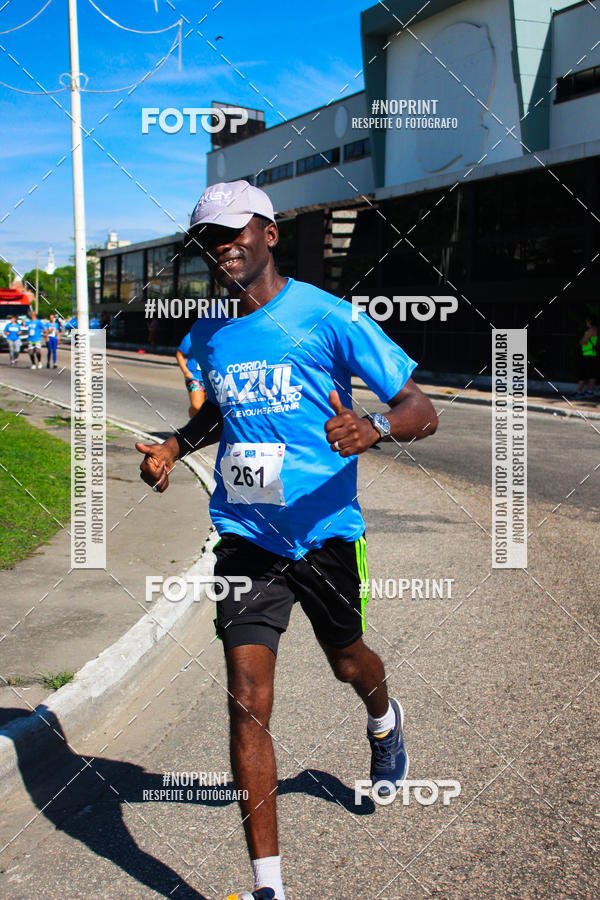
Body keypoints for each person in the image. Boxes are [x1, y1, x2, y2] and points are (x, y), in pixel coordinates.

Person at [136, 181, 438, 900]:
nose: (223, 248)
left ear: (268, 234)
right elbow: (221, 414)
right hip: (246, 536)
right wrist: (174, 447)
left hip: (325, 532)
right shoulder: (209, 334)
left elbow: (419, 407)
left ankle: (383, 719)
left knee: (348, 661)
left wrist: (375, 427)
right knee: (246, 697)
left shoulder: (330, 316)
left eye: (234, 232)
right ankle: (268, 887)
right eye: (210, 239)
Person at [176, 330, 207, 418]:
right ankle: (193, 424)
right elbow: (179, 354)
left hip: (211, 377)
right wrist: (186, 372)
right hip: (195, 377)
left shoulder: (215, 335)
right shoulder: (191, 336)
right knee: (197, 406)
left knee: (209, 408)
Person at [574, 316, 598, 399]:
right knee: (592, 374)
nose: (586, 322)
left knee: (583, 374)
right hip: (592, 354)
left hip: (588, 354)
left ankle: (580, 392)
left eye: (587, 321)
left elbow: (583, 341)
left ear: (589, 321)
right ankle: (589, 392)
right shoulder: (596, 329)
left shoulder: (591, 330)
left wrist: (582, 341)